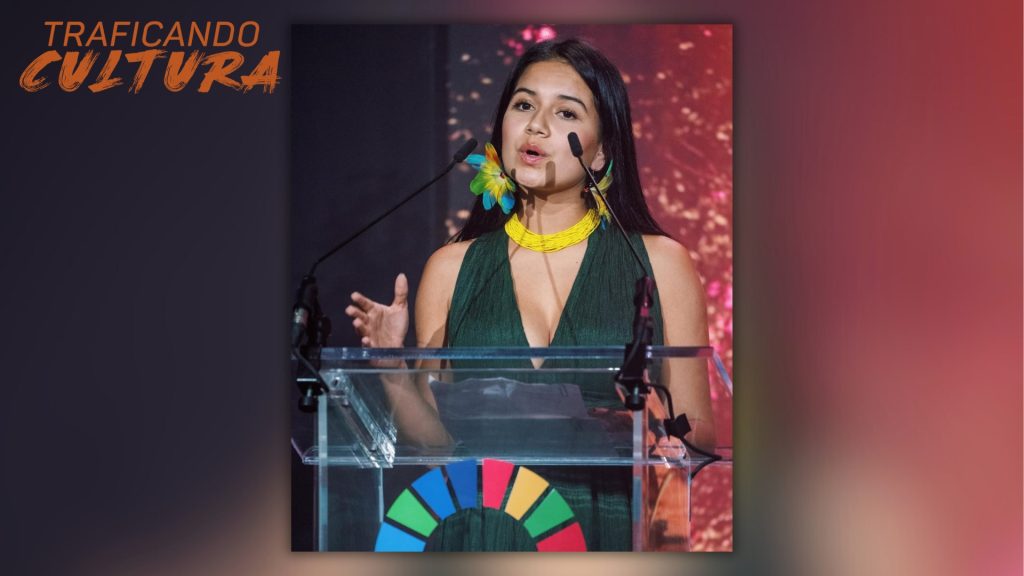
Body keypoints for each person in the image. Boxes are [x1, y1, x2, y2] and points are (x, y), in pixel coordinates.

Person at [345, 38, 715, 549]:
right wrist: (392, 370)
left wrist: (650, 426)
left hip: (604, 530)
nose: (536, 126)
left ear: (602, 151)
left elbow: (701, 433)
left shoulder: (657, 263)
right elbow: (434, 447)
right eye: (523, 105)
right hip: (482, 534)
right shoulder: (452, 267)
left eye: (566, 113)